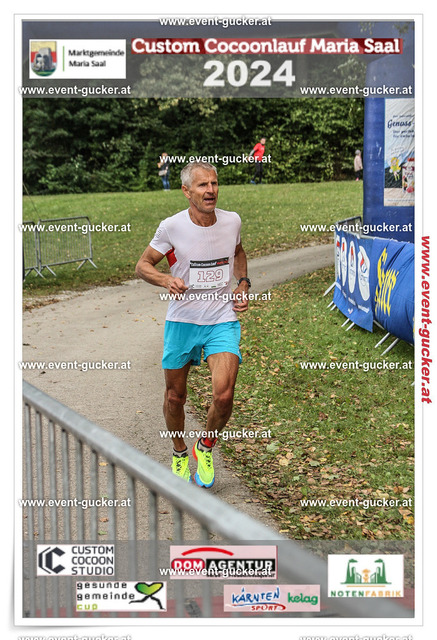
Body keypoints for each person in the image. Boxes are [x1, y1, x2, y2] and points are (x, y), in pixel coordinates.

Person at [135, 161, 251, 487]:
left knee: (224, 396)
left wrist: (243, 283)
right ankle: (179, 452)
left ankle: (206, 446)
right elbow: (142, 265)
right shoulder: (171, 227)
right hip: (182, 321)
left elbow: (239, 252)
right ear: (187, 191)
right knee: (175, 397)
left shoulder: (232, 221)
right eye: (202, 185)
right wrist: (165, 279)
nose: (210, 190)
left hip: (221, 319)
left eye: (214, 183)